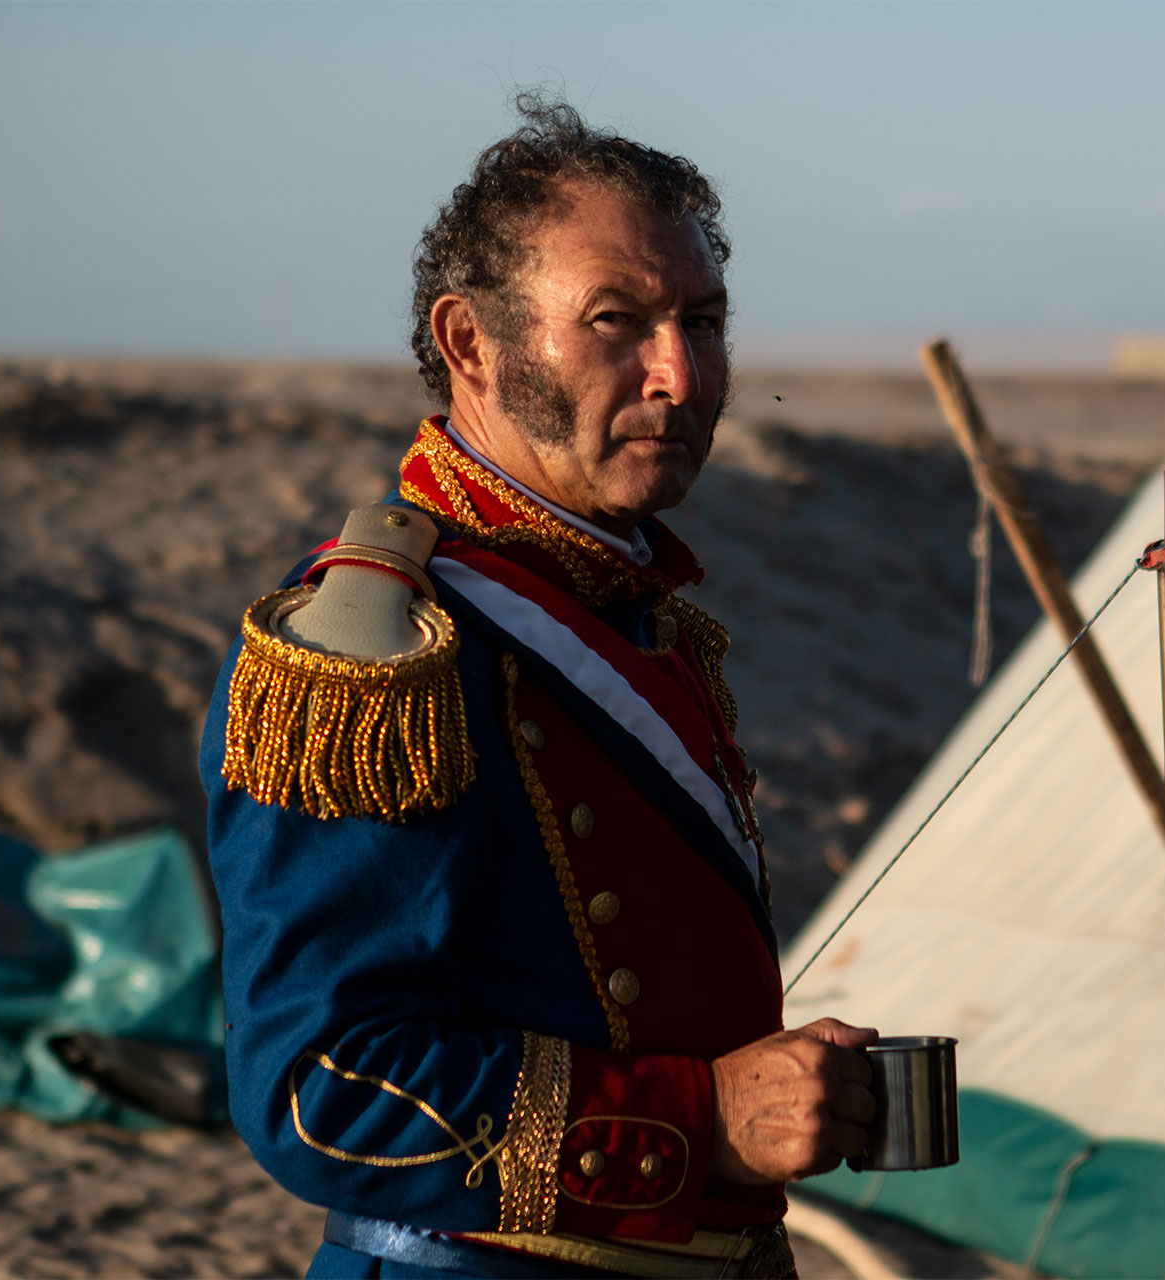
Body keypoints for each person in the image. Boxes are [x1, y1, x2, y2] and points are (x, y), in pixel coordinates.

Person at [200, 94, 876, 1280]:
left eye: (704, 321)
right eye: (618, 320)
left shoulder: (630, 609)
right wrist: (699, 1119)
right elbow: (321, 1084)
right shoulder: (373, 657)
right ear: (470, 343)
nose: (678, 371)